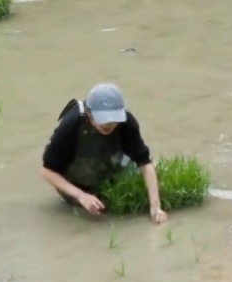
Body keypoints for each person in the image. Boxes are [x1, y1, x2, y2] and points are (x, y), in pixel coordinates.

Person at [40, 83, 168, 224]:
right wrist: (81, 196)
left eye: (114, 119)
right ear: (89, 113)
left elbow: (145, 163)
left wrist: (156, 207)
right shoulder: (72, 124)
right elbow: (47, 172)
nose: (109, 124)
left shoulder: (127, 122)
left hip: (109, 167)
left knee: (158, 171)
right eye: (103, 119)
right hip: (77, 183)